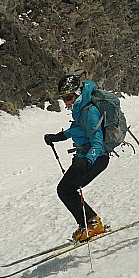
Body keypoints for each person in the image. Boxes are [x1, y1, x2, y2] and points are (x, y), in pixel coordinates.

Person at [44, 75, 109, 242]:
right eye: (63, 98)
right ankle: (89, 224)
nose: (66, 102)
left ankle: (92, 224)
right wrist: (58, 137)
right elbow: (77, 129)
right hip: (84, 158)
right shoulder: (80, 109)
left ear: (78, 93)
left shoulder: (90, 112)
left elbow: (97, 143)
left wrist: (87, 161)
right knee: (65, 189)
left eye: (68, 97)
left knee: (66, 189)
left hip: (96, 158)